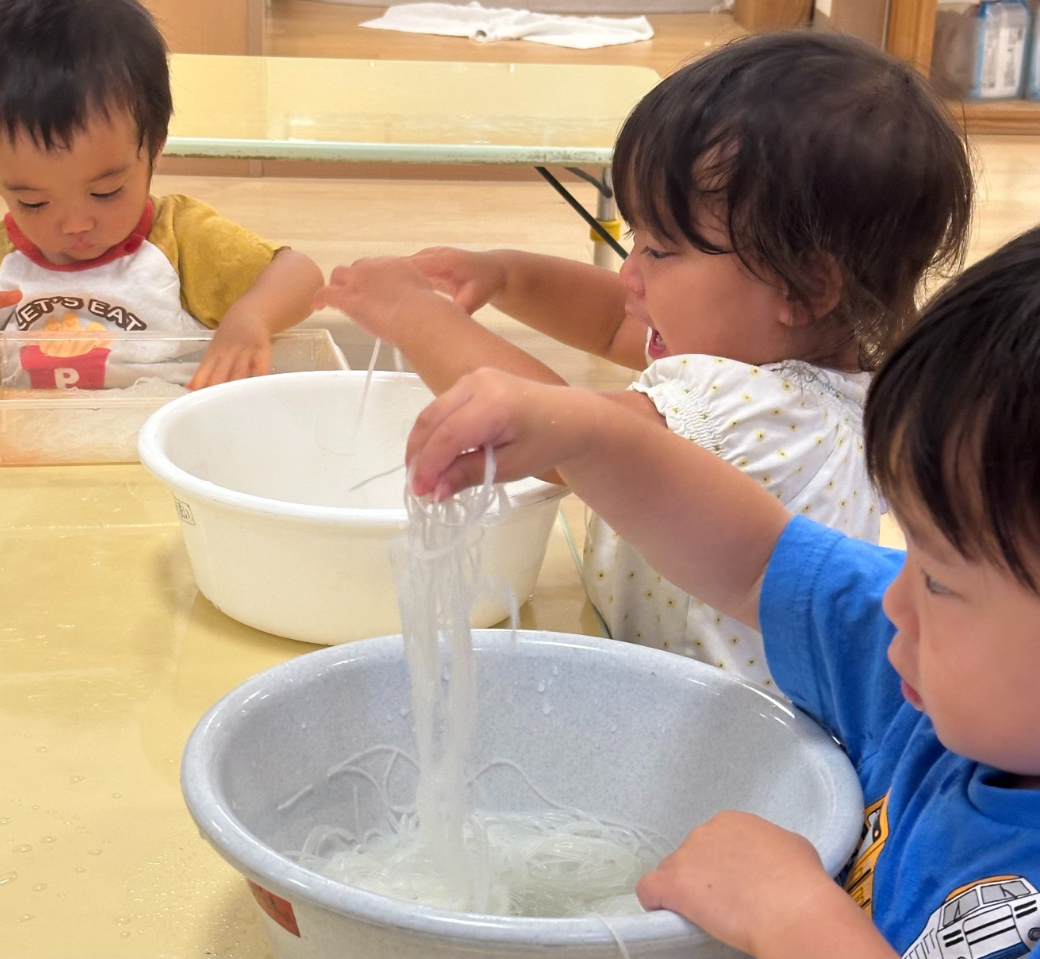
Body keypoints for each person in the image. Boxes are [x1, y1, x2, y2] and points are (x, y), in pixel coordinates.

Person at [404, 226, 1040, 958]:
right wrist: (584, 434)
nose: (894, 602)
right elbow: (756, 561)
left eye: (938, 579)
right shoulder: (932, 686)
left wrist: (794, 920)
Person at [313, 31, 973, 692]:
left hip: (708, 715)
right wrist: (510, 275)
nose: (630, 273)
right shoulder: (828, 370)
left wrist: (414, 315)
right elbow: (613, 321)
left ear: (804, 286)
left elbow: (559, 434)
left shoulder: (750, 411)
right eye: (637, 237)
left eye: (660, 250)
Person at [0, 0, 322, 390]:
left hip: (162, 436)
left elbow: (302, 275)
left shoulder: (180, 238)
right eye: (33, 202)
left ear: (153, 146)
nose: (75, 224)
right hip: (31, 440)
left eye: (105, 192)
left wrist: (251, 316)